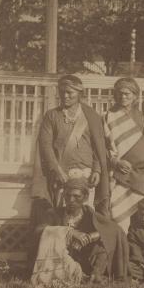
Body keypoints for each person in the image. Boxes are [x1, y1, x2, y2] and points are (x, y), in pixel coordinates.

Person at [32, 75, 110, 216]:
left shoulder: (91, 116)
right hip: (62, 175)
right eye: (62, 92)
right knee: (63, 216)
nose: (65, 96)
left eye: (70, 92)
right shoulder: (51, 116)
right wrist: (57, 170)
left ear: (79, 93)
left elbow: (98, 146)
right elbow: (45, 146)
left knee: (85, 216)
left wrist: (97, 170)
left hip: (87, 175)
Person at [29, 178, 129, 286]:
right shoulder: (54, 213)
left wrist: (92, 236)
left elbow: (115, 230)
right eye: (68, 196)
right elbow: (38, 230)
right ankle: (76, 276)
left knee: (102, 244)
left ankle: (96, 274)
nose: (71, 200)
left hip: (83, 258)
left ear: (85, 198)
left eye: (77, 196)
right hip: (59, 260)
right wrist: (69, 232)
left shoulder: (89, 215)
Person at [103, 78, 144, 231]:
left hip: (143, 176)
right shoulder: (107, 117)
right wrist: (115, 162)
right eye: (119, 94)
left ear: (135, 96)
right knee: (118, 216)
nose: (123, 97)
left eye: (127, 94)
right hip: (119, 174)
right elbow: (103, 147)